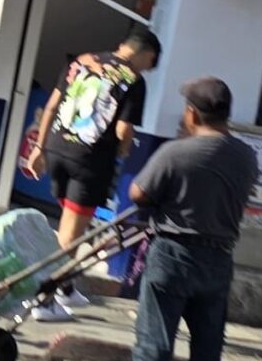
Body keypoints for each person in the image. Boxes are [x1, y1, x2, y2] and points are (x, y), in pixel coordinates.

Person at [99, 76, 261, 361]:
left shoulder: (177, 152)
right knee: (207, 339)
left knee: (156, 331)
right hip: (219, 256)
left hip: (173, 251)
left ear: (192, 114)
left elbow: (140, 192)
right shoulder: (245, 156)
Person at [19, 29, 160, 322]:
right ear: (145, 54)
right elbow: (123, 130)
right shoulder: (134, 79)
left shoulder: (80, 61)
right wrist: (122, 150)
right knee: (71, 236)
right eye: (151, 62)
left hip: (56, 150)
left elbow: (52, 106)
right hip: (90, 161)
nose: (149, 68)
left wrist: (39, 148)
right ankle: (43, 300)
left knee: (69, 226)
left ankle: (66, 288)